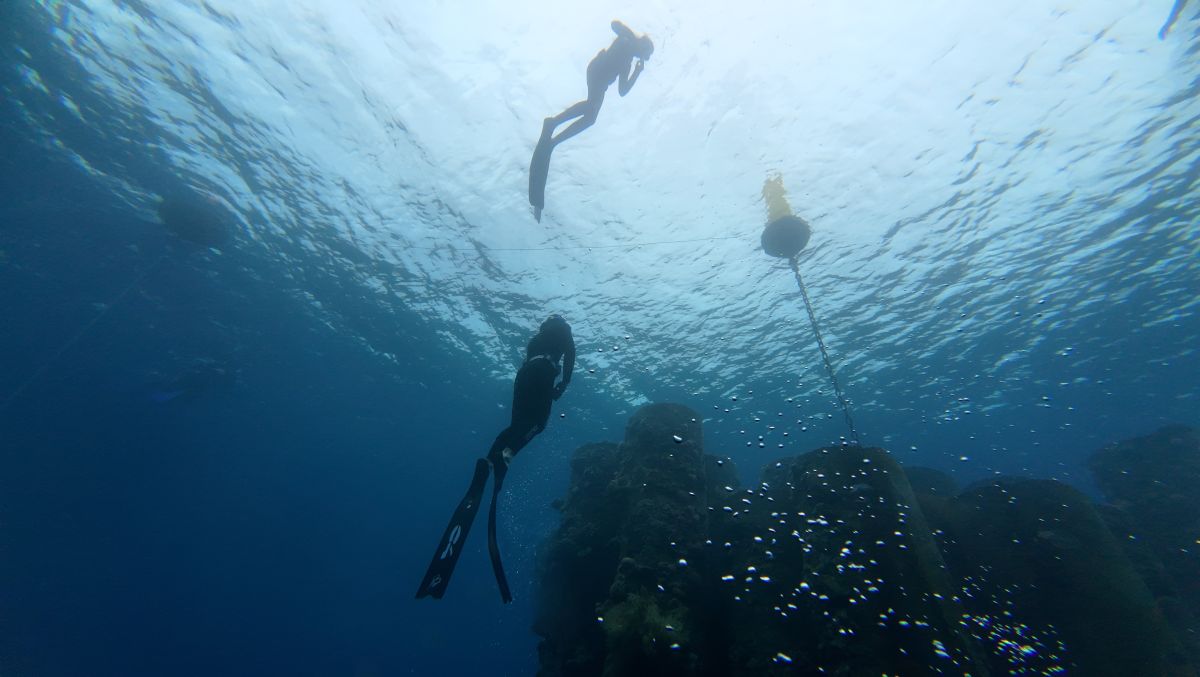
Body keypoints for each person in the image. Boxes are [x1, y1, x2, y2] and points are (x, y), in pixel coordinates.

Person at [416, 314, 576, 603]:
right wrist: (562, 385)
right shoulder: (563, 334)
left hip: (524, 374)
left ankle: (491, 460)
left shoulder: (536, 339)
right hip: (543, 372)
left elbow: (529, 364)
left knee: (517, 424)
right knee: (537, 424)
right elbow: (571, 356)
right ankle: (505, 456)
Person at [529, 21, 654, 220]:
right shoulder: (626, 40)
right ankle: (553, 124)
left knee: (591, 118)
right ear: (643, 44)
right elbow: (614, 24)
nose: (643, 57)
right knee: (591, 106)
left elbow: (622, 91)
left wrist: (637, 72)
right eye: (645, 53)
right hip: (596, 71)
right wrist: (629, 35)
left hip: (602, 83)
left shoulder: (628, 62)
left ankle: (553, 141)